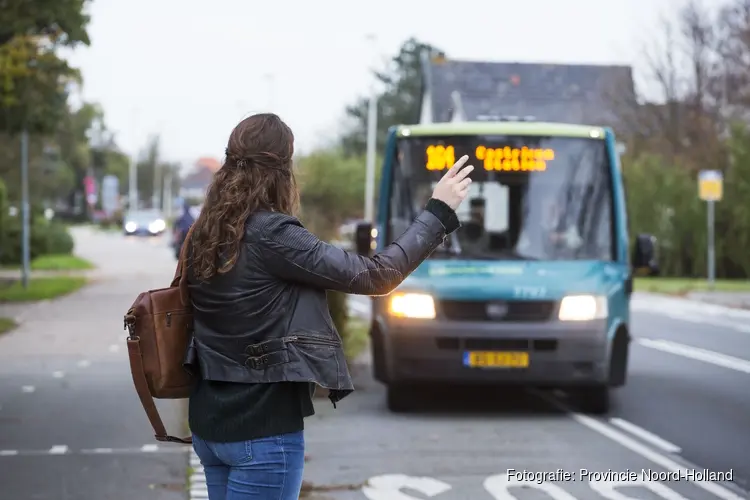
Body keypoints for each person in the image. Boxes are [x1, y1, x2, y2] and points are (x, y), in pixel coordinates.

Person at [185, 113, 474, 500]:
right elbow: (376, 275)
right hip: (261, 428)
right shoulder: (274, 234)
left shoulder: (206, 231)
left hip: (210, 425)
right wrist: (438, 212)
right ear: (282, 169)